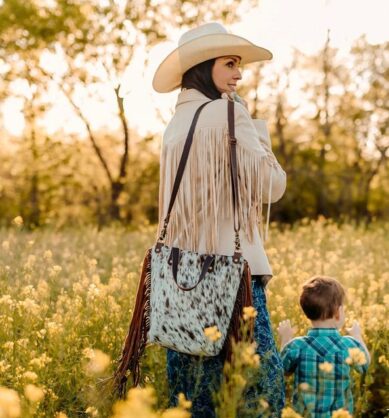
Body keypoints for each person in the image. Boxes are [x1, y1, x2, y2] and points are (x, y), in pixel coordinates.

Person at [153, 22, 287, 417]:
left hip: (180, 280)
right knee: (261, 396)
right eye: (230, 63)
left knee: (195, 399)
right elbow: (271, 187)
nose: (239, 74)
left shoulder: (174, 126)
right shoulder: (228, 112)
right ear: (203, 65)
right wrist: (256, 129)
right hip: (231, 279)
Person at [277, 276, 370, 417]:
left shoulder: (297, 346)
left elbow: (282, 370)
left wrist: (285, 338)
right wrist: (357, 336)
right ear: (338, 312)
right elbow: (365, 366)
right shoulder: (348, 345)